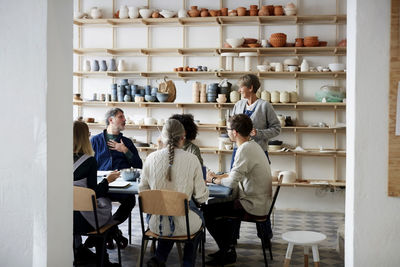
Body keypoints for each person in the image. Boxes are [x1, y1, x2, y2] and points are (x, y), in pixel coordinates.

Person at [203, 114, 273, 266]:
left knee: (208, 211)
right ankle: (226, 249)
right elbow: (237, 173)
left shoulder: (244, 150)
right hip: (260, 200)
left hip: (253, 205)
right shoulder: (252, 145)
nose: (227, 132)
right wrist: (218, 176)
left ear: (234, 132)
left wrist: (213, 180)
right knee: (217, 207)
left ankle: (227, 251)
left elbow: (232, 183)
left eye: (228, 129)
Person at [139, 119, 209, 267]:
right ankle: (187, 263)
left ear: (162, 137)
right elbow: (201, 198)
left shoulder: (150, 158)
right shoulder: (192, 159)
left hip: (155, 224)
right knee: (199, 219)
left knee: (168, 216)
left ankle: (159, 258)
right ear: (183, 137)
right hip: (185, 224)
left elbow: (142, 192)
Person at [73, 120, 130, 266]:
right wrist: (107, 180)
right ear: (84, 138)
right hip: (84, 220)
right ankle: (103, 260)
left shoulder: (58, 160)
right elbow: (94, 193)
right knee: (104, 211)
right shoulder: (89, 161)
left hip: (64, 219)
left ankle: (83, 251)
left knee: (100, 210)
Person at [90, 108, 139, 248]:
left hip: (122, 186)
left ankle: (108, 230)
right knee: (98, 202)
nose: (124, 119)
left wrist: (124, 150)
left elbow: (138, 165)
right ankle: (111, 232)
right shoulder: (95, 141)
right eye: (121, 117)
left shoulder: (127, 142)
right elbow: (89, 163)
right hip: (102, 185)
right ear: (111, 120)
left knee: (130, 200)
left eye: (124, 116)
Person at [231, 74, 281, 166]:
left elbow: (277, 129)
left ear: (250, 88)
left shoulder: (265, 106)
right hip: (238, 151)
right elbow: (231, 126)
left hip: (258, 152)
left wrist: (258, 133)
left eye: (241, 87)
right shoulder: (238, 105)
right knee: (235, 179)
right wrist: (231, 134)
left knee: (258, 179)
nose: (239, 90)